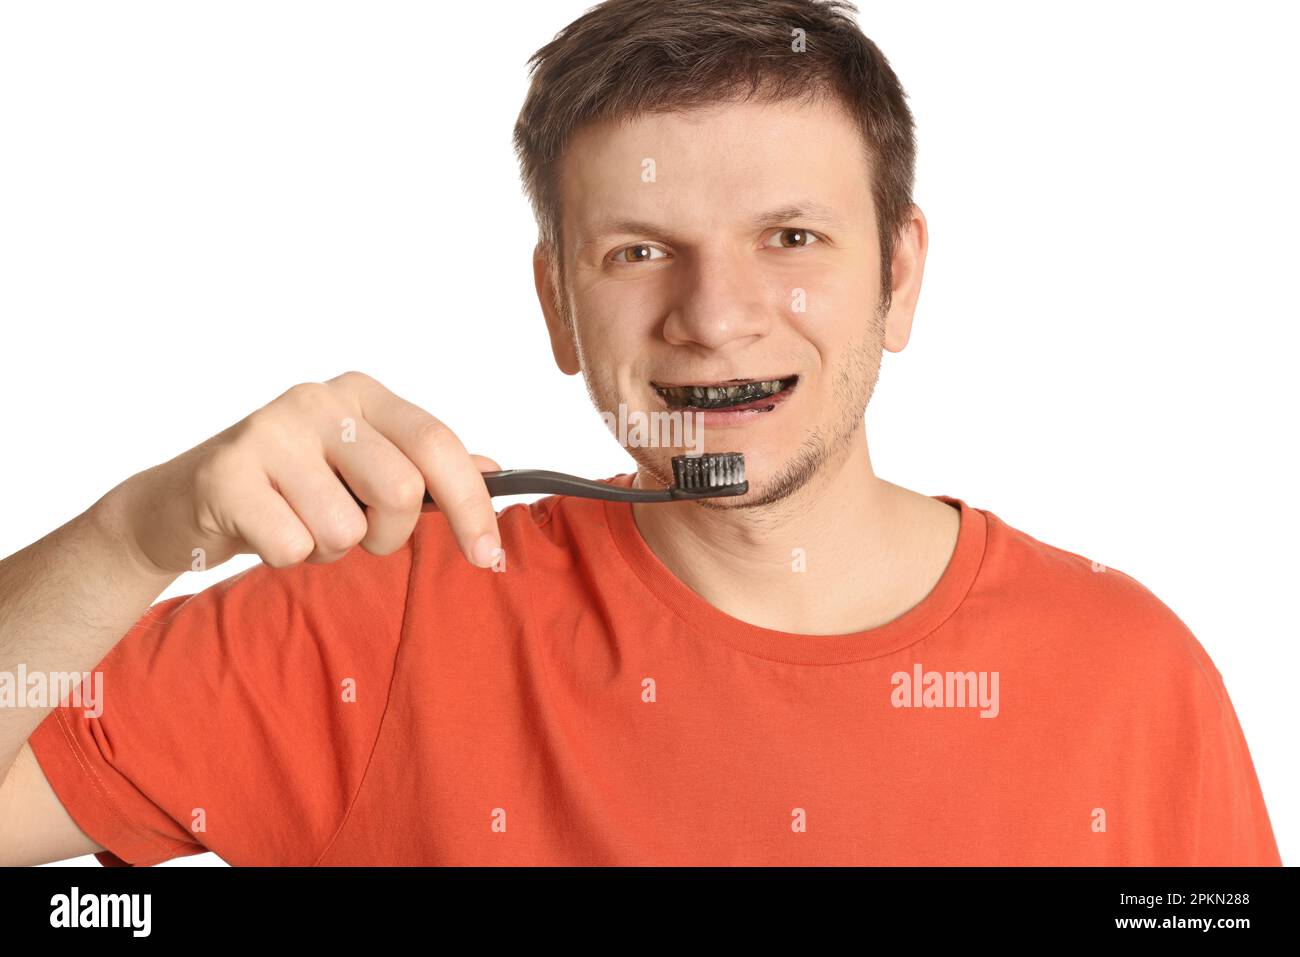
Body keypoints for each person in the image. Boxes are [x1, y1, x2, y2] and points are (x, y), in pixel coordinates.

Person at [0, 0, 1281, 866]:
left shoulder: (1130, 677)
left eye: (790, 238)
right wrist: (136, 530)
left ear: (899, 276)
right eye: (638, 252)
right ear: (558, 305)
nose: (715, 319)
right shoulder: (378, 619)